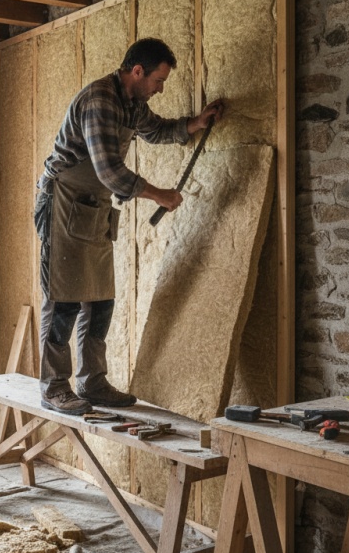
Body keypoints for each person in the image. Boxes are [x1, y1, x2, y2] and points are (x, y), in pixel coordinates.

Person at [34, 37, 224, 415]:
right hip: (65, 201)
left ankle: (92, 382)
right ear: (137, 71)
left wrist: (195, 124)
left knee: (100, 298)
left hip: (93, 207)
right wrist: (161, 195)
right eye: (158, 80)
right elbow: (110, 172)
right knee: (64, 299)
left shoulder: (132, 102)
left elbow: (156, 131)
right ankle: (54, 387)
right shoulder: (100, 101)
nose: (160, 88)